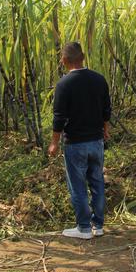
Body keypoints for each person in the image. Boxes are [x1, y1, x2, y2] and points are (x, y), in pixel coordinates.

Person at [48, 42, 111, 240]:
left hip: (75, 144)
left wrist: (54, 143)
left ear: (65, 60)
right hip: (96, 142)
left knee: (78, 185)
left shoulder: (64, 84)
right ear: (83, 57)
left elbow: (59, 118)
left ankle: (84, 228)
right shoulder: (99, 80)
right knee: (97, 181)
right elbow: (106, 110)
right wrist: (105, 131)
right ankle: (98, 225)